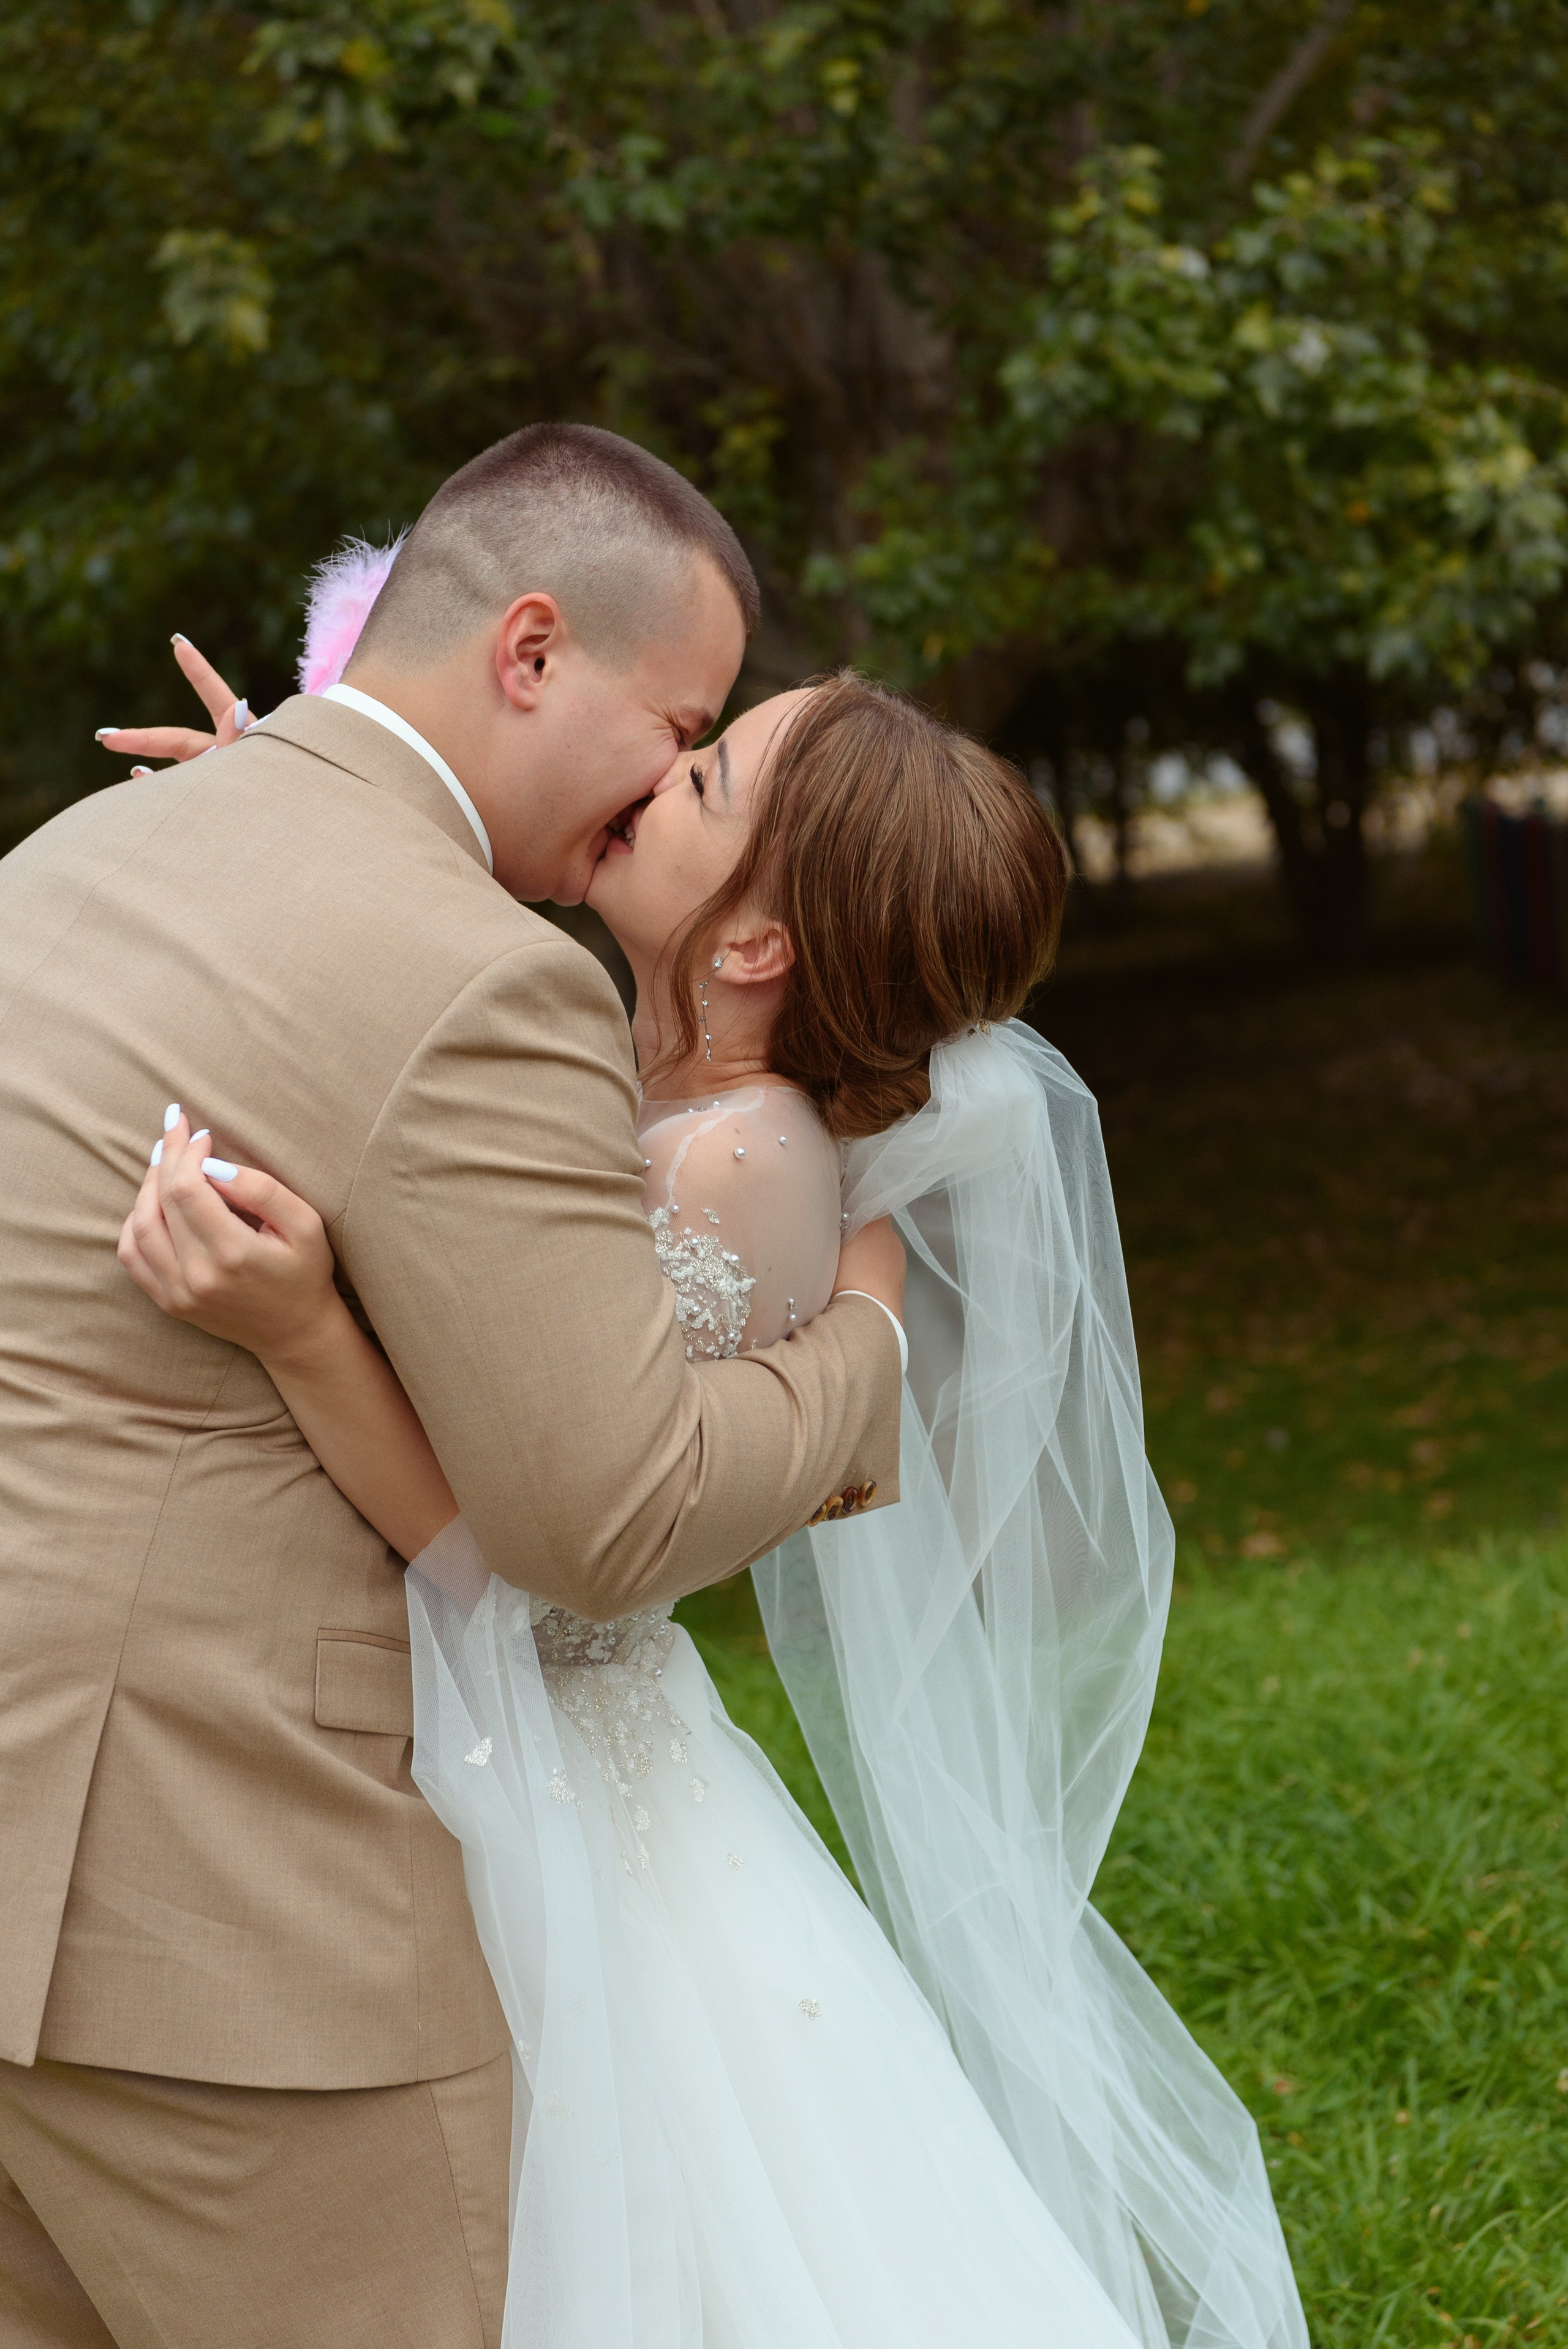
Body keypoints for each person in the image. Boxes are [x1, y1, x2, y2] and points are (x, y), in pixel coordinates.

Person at [120, 665, 1309, 2349]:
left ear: (753, 946)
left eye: (707, 777)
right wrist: (300, 809)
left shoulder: (731, 1161)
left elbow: (536, 1567)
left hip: (544, 1757)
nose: (657, 765)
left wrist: (304, 1328)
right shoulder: (630, 1070)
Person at [0, 425, 907, 2349]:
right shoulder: (482, 978)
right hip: (216, 1935)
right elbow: (610, 1517)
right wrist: (868, 1355)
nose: (664, 783)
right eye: (678, 729)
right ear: (530, 650)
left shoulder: (68, 858)